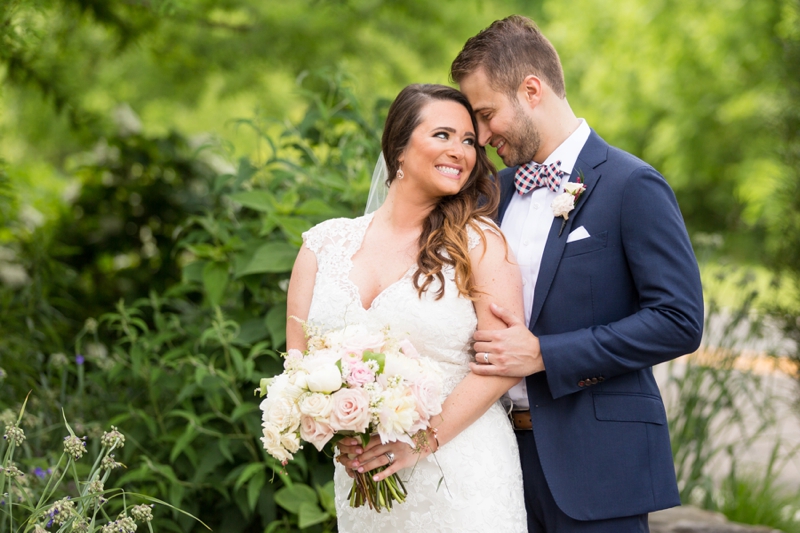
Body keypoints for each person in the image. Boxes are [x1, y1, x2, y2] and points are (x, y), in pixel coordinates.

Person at [448, 15, 705, 533]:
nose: (480, 134)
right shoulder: (489, 195)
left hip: (599, 469)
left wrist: (546, 355)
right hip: (494, 466)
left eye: (486, 113)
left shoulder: (633, 185)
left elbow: (679, 319)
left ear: (532, 89)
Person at [286, 84, 528, 532]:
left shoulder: (479, 242)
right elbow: (297, 369)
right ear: (398, 147)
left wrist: (419, 442)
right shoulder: (322, 245)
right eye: (443, 135)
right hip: (364, 477)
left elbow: (505, 363)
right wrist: (337, 424)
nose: (460, 151)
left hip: (463, 474)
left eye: (469, 141)